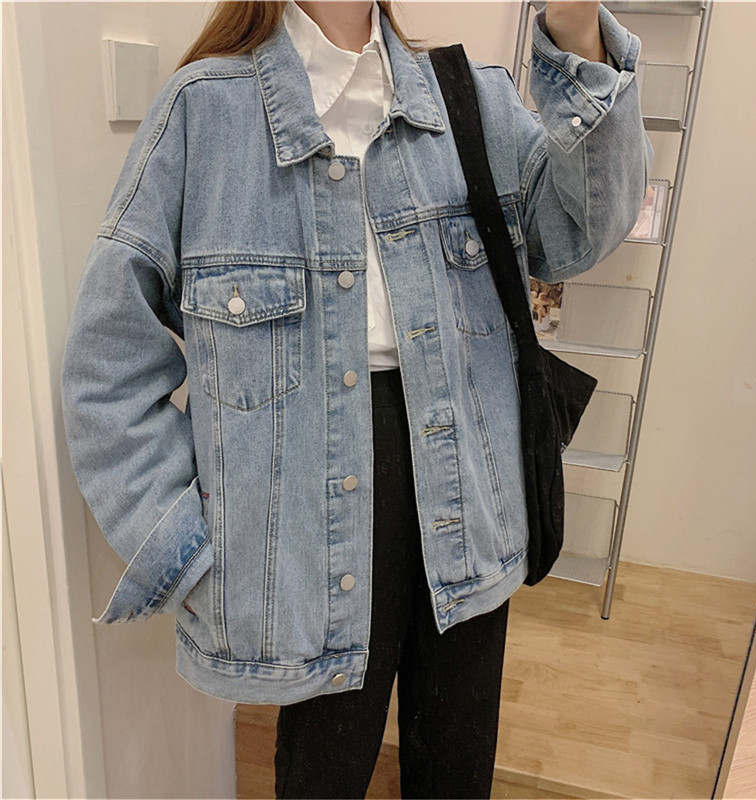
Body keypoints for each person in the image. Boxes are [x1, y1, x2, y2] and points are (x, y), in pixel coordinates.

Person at [61, 1, 651, 797]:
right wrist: (186, 550)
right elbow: (107, 367)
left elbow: (577, 233)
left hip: (467, 507)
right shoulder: (204, 113)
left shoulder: (468, 97)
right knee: (323, 778)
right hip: (302, 534)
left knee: (456, 772)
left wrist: (579, 31)